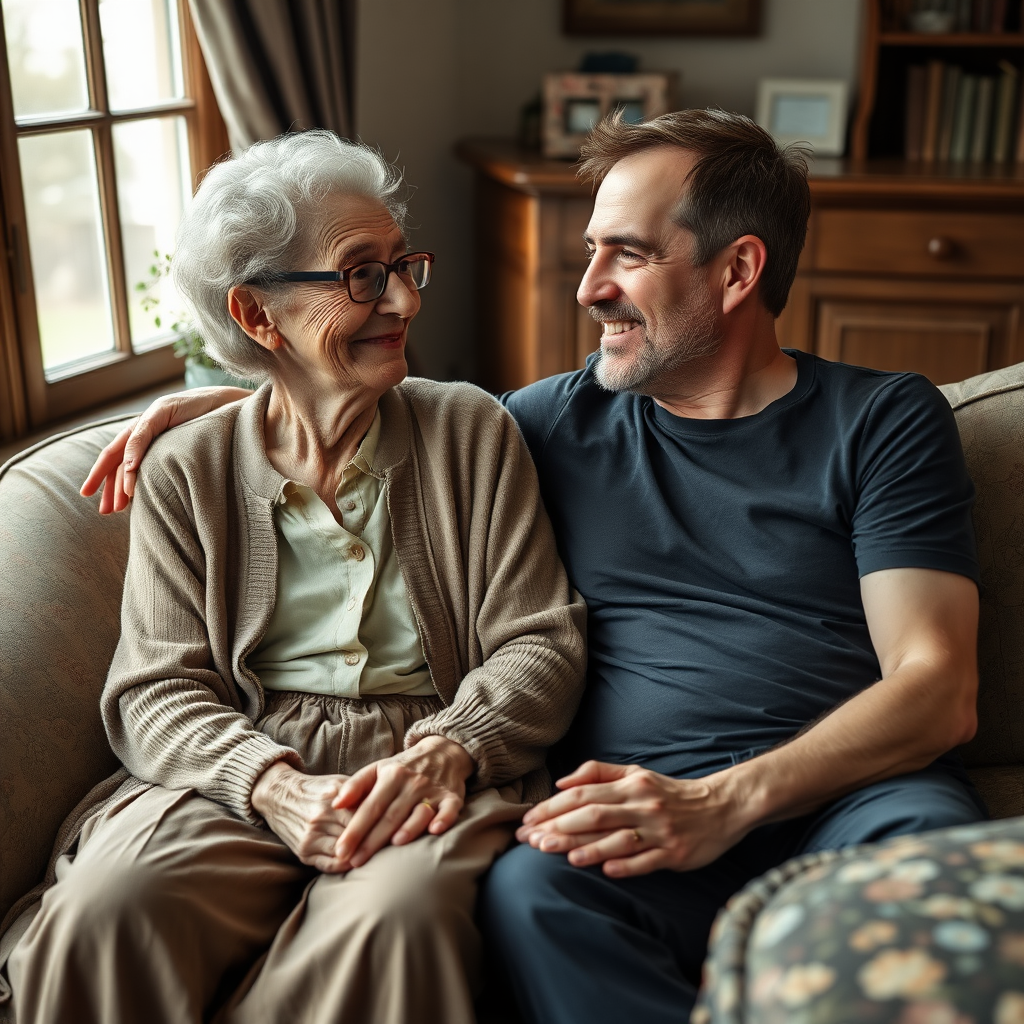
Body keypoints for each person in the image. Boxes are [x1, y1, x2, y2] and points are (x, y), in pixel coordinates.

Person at [77, 110, 986, 1023]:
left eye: (625, 254)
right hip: (625, 819)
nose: (588, 288)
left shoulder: (883, 422)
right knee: (530, 896)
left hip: (852, 802)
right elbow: (357, 407)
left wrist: (723, 801)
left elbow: (938, 688)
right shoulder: (544, 423)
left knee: (927, 892)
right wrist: (228, 401)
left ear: (739, 270)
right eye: (590, 251)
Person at [3, 130, 586, 1024]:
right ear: (256, 316)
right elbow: (156, 688)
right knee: (108, 911)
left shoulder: (470, 430)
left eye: (401, 265)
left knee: (398, 920)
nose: (401, 301)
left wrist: (450, 748)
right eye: (360, 274)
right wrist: (270, 784)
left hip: (427, 757)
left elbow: (539, 640)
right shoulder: (187, 468)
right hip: (240, 760)